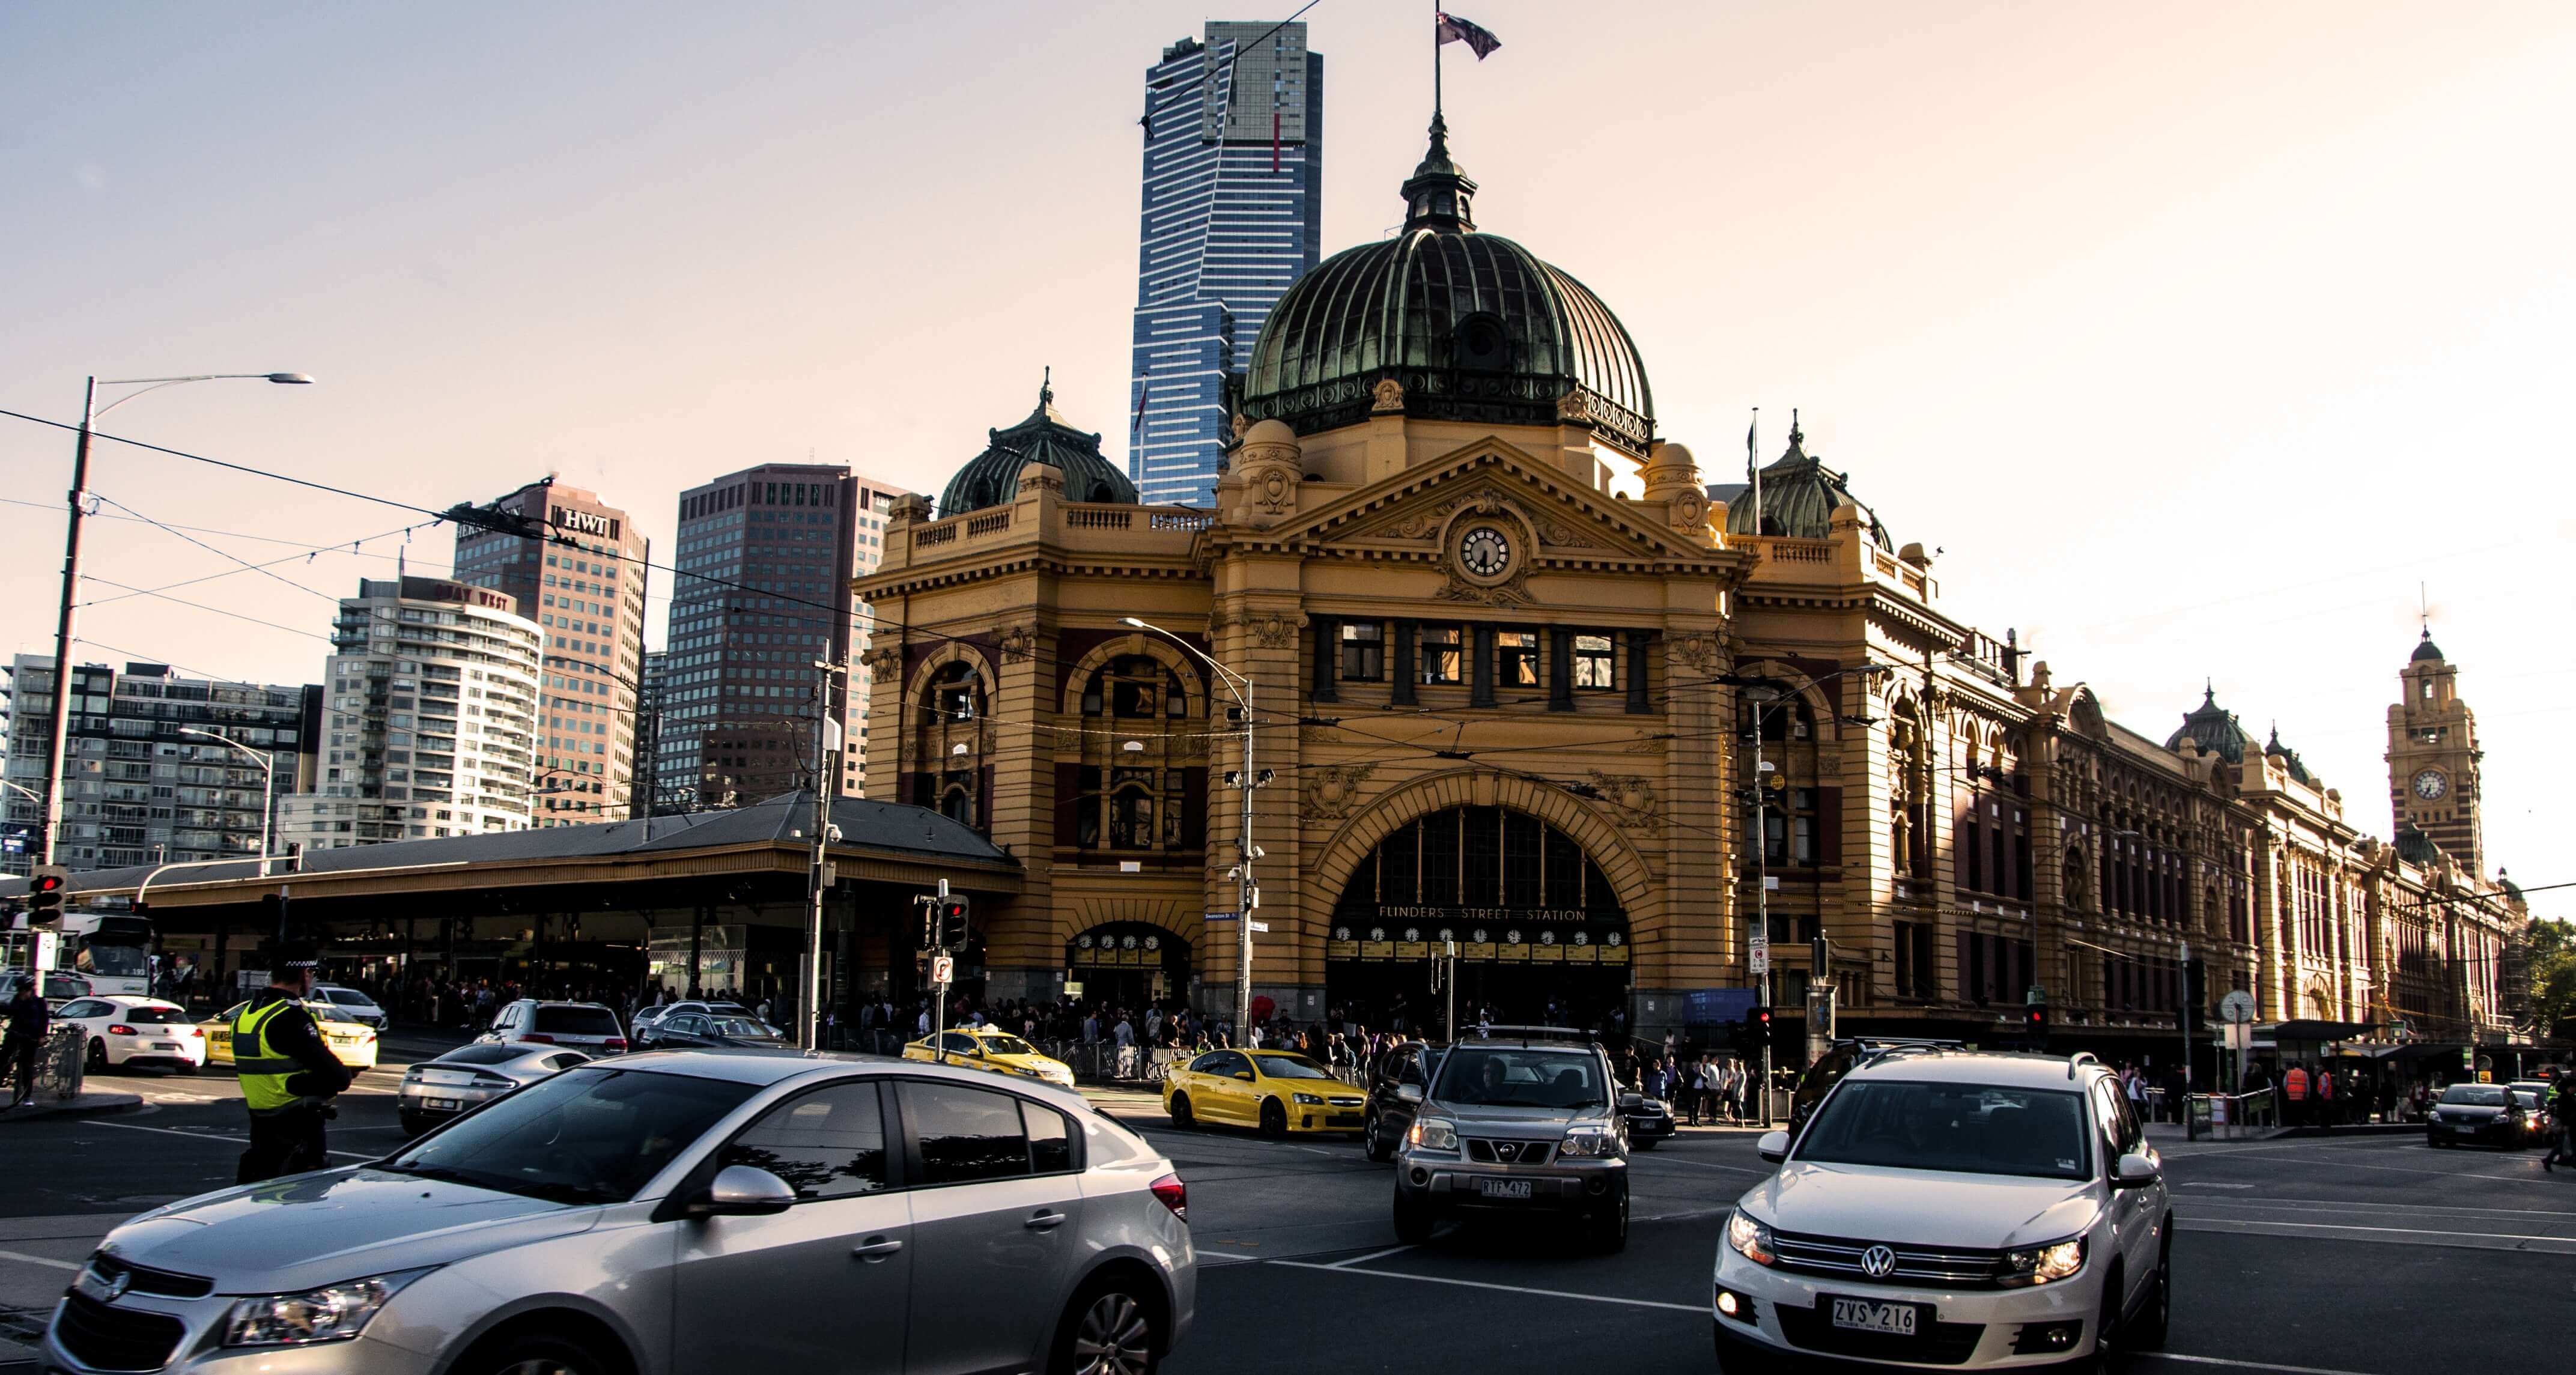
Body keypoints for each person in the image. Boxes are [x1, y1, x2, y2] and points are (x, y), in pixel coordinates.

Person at [232, 942, 355, 1184]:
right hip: (295, 1127)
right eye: (313, 974)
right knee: (300, 1202)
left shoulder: (247, 1015)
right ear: (305, 974)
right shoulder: (291, 1017)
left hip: (260, 1125)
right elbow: (339, 1078)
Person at [4, 979, 49, 1109]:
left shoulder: (39, 1003)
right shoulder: (17, 1000)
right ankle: (4, 1074)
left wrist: (41, 1036)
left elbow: (44, 1020)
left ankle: (27, 1097)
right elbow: (11, 1011)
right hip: (15, 1033)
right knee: (4, 1058)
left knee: (26, 1066)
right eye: (19, 991)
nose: (20, 993)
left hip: (30, 1038)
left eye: (22, 990)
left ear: (28, 990)